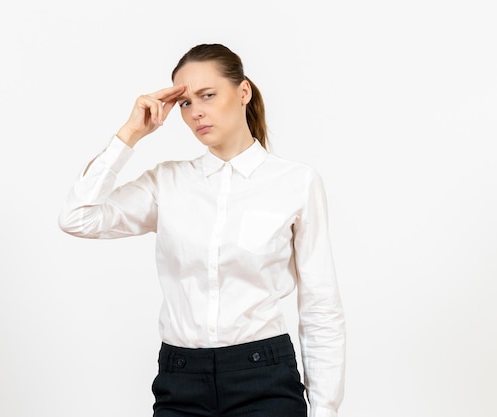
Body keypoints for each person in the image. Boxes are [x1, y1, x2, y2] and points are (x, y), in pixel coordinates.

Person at [58, 43, 346, 417]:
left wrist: (325, 409)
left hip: (264, 378)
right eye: (185, 103)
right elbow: (77, 217)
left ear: (243, 92)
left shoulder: (295, 182)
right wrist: (129, 134)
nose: (196, 113)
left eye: (207, 96)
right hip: (181, 382)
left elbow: (320, 305)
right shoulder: (167, 182)